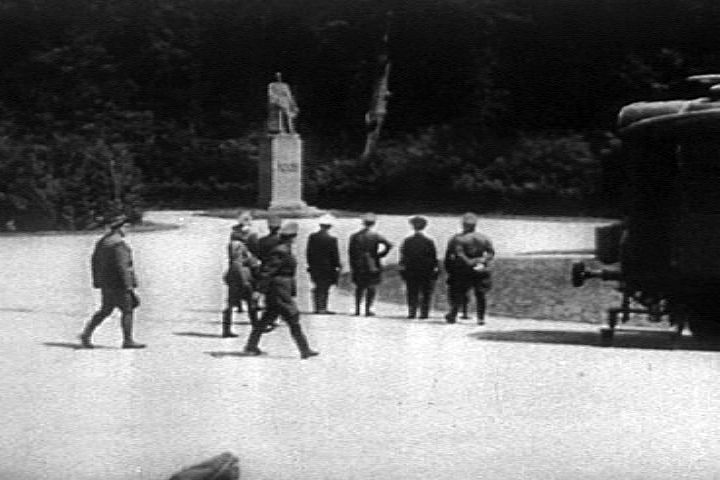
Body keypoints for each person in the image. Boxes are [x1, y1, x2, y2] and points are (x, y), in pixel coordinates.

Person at [243, 222, 319, 359]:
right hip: (278, 289)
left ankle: (251, 345)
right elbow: (268, 271)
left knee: (267, 318)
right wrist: (259, 290)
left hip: (281, 288)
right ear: (291, 237)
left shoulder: (285, 249)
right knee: (292, 317)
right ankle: (304, 350)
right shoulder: (281, 251)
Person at [79, 215, 146, 349]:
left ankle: (86, 334)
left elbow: (94, 262)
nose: (127, 230)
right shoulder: (119, 244)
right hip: (119, 283)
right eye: (125, 227)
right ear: (119, 228)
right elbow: (123, 267)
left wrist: (97, 280)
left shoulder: (103, 242)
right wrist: (129, 286)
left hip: (106, 282)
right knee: (127, 310)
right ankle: (128, 340)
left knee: (105, 310)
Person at [444, 212, 495, 325]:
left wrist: (450, 268)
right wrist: (482, 261)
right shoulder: (484, 238)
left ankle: (453, 314)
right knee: (480, 294)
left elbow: (457, 254)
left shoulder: (457, 239)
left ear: (463, 225)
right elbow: (491, 253)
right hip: (480, 269)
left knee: (459, 293)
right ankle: (481, 318)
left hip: (463, 270)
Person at [221, 213, 261, 338]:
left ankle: (226, 329)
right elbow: (241, 262)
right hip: (243, 275)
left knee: (231, 303)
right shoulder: (239, 246)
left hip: (234, 274)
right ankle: (256, 327)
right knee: (250, 302)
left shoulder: (233, 244)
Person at [348, 213, 393, 316]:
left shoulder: (355, 236)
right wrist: (380, 255)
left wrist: (353, 265)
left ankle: (357, 309)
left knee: (359, 287)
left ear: (363, 223)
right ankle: (368, 309)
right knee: (371, 287)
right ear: (373, 224)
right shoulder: (376, 235)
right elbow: (389, 245)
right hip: (372, 263)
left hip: (359, 264)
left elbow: (351, 253)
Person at [399, 216, 439, 319]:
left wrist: (402, 268)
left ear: (413, 226)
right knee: (426, 292)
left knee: (412, 291)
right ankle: (424, 313)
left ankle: (412, 312)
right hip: (426, 270)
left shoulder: (408, 241)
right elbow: (433, 257)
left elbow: (403, 256)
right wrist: (435, 269)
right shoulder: (429, 241)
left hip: (411, 270)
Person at [306, 214, 342, 314]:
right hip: (327, 267)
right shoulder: (332, 239)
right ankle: (323, 307)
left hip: (315, 266)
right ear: (329, 227)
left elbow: (309, 253)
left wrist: (310, 265)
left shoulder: (312, 237)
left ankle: (317, 307)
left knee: (317, 286)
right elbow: (335, 255)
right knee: (325, 288)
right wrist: (337, 266)